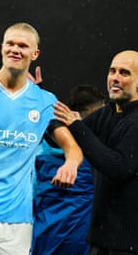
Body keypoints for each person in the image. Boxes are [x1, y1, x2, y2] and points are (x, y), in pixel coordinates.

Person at [0, 22, 83, 255]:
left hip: (17, 219)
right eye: (10, 43)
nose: (15, 50)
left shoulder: (44, 101)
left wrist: (71, 163)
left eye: (23, 45)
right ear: (1, 47)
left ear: (35, 53)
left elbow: (72, 146)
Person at [54, 50, 138, 255]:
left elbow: (117, 167)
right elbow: (59, 128)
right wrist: (38, 99)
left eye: (124, 73)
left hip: (130, 246)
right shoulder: (106, 114)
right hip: (100, 239)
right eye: (112, 71)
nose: (115, 78)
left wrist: (77, 125)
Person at [32, 85, 106, 255]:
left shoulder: (39, 149)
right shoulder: (95, 159)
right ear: (95, 112)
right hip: (78, 244)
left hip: (41, 240)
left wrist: (36, 94)